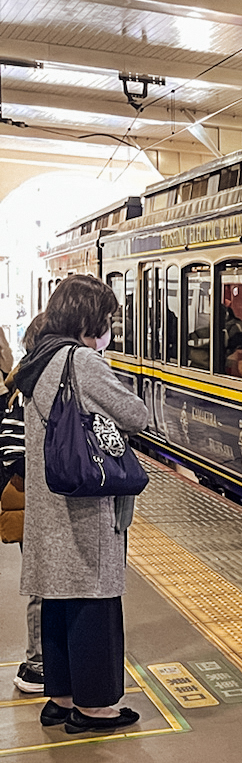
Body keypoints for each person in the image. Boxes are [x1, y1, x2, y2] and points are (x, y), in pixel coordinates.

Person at [13, 275, 150, 734]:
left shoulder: (37, 358)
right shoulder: (82, 362)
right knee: (95, 602)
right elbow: (136, 415)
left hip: (47, 503)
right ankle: (95, 709)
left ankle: (62, 698)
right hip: (83, 506)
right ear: (91, 320)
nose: (110, 328)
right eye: (108, 319)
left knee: (57, 602)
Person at [1, 313, 49, 705]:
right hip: (32, 502)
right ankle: (36, 664)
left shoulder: (25, 382)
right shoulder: (26, 389)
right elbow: (13, 451)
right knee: (40, 583)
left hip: (34, 500)